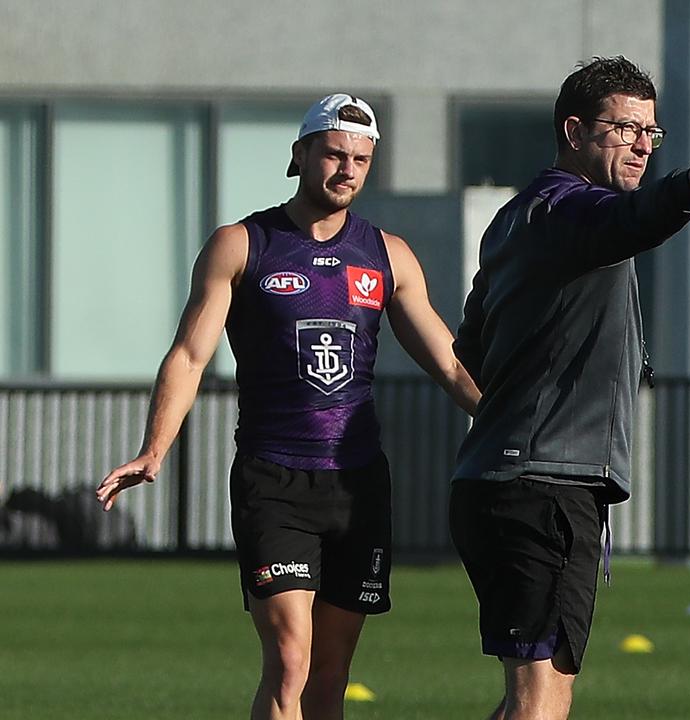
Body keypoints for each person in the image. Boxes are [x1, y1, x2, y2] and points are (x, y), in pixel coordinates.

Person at [96, 93, 480, 720]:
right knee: (291, 661)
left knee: (330, 677)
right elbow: (190, 355)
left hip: (358, 484)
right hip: (273, 479)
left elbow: (447, 360)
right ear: (300, 155)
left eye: (360, 159)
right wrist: (154, 449)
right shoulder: (241, 245)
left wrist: (503, 426)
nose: (347, 169)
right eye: (333, 154)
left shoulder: (389, 255)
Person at [448, 55, 690, 720]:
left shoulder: (515, 218)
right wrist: (689, 185)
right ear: (576, 131)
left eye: (652, 133)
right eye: (625, 129)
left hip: (509, 481)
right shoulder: (569, 211)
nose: (643, 144)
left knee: (530, 697)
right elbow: (630, 222)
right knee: (541, 701)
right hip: (542, 488)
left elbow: (471, 347)